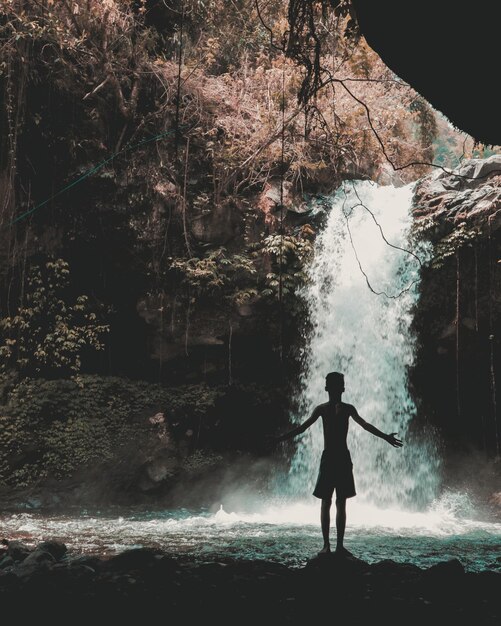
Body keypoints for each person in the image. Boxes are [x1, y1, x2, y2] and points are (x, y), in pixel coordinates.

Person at [274, 371, 403, 556]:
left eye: (338, 384)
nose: (337, 388)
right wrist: (279, 439)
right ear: (340, 388)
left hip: (337, 458)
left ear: (334, 388)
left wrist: (385, 437)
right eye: (337, 384)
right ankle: (332, 546)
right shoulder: (330, 409)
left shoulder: (334, 409)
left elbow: (303, 428)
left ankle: (332, 546)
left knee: (332, 502)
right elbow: (304, 428)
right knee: (335, 502)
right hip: (336, 458)